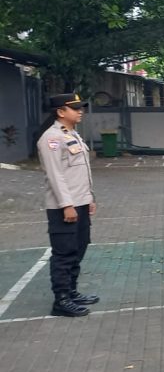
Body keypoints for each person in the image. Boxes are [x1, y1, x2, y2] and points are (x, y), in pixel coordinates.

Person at [36, 94, 100, 317]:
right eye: (75, 108)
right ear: (60, 112)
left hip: (80, 203)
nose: (80, 111)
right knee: (64, 253)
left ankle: (72, 292)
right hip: (64, 207)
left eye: (80, 108)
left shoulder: (72, 135)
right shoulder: (51, 138)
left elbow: (81, 173)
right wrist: (67, 205)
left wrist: (89, 198)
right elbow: (55, 176)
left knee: (78, 248)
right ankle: (61, 300)